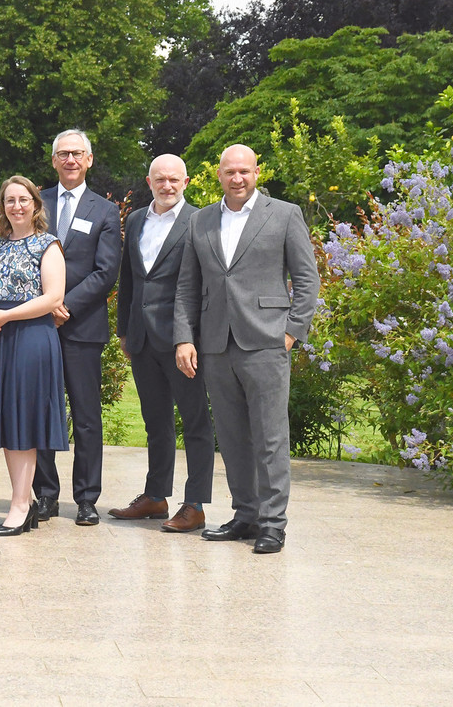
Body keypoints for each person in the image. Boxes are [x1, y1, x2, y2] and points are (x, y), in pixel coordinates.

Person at [173, 144, 320, 554]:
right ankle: (246, 515)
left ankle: (273, 523)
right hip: (216, 344)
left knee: (270, 437)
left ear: (257, 172)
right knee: (233, 437)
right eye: (229, 172)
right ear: (218, 175)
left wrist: (291, 332)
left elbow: (307, 280)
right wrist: (185, 337)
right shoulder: (201, 221)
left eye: (244, 171)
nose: (237, 178)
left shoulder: (286, 215)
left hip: (267, 341)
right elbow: (187, 285)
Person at [112, 154, 214, 533]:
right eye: (160, 180)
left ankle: (196, 504)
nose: (167, 186)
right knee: (155, 420)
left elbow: (205, 284)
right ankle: (156, 496)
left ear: (186, 182)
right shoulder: (137, 219)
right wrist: (124, 329)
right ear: (149, 181)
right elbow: (129, 278)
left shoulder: (201, 221)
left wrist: (192, 337)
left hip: (182, 341)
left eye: (174, 180)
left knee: (195, 421)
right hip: (141, 337)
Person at [0, 176, 69, 536]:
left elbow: (53, 297)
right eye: (9, 200)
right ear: (2, 207)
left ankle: (20, 504)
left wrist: (8, 315)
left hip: (30, 338)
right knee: (10, 422)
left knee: (24, 421)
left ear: (35, 205)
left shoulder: (48, 245)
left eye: (23, 199)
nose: (16, 206)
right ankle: (22, 501)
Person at [34, 129, 121, 527]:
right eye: (63, 154)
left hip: (82, 328)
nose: (70, 160)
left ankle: (86, 498)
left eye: (77, 154)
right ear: (53, 161)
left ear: (89, 160)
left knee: (86, 417)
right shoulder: (36, 203)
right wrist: (42, 306)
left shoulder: (104, 210)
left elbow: (106, 273)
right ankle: (45, 496)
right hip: (35, 327)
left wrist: (63, 304)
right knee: (42, 412)